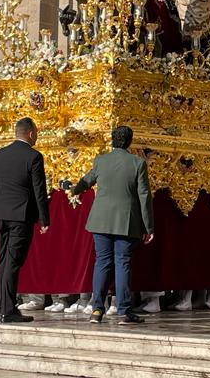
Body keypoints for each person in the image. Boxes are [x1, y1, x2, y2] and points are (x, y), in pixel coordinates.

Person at [70, 124, 154, 326]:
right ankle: (124, 311)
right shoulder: (137, 163)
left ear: (112, 140)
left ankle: (97, 309)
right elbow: (144, 196)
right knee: (122, 263)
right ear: (130, 142)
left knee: (102, 263)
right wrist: (148, 226)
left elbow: (86, 181)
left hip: (100, 221)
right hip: (126, 221)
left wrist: (74, 189)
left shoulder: (101, 160)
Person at [0, 116, 50, 324]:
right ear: (31, 133)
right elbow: (39, 190)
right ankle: (7, 310)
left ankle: (3, 306)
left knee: (2, 260)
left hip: (1, 214)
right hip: (20, 216)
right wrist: (44, 218)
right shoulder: (33, 156)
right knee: (13, 262)